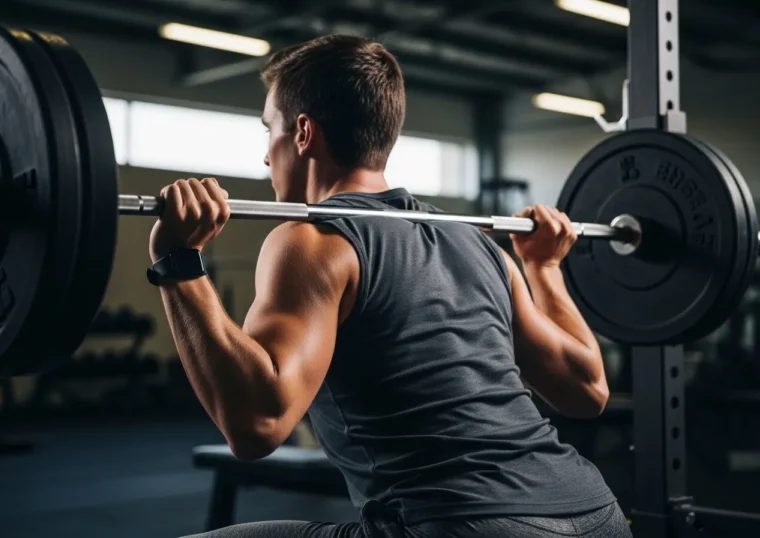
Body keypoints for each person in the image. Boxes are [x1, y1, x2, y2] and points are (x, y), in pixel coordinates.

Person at [148, 35, 633, 538]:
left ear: (303, 133)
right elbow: (587, 390)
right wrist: (545, 269)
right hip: (598, 516)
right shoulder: (476, 243)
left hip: (460, 526)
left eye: (269, 129)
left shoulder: (313, 240)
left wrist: (178, 264)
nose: (266, 157)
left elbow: (258, 423)